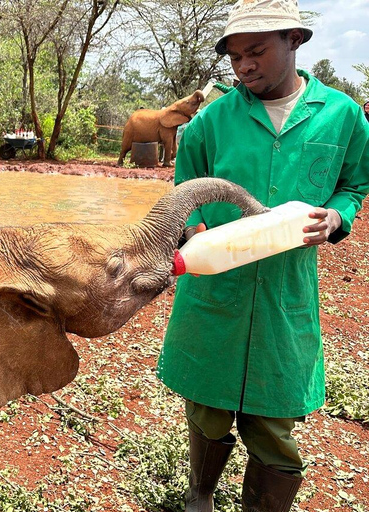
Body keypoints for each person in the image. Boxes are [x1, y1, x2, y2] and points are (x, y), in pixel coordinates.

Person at [157, 0, 369, 511]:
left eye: (256, 51)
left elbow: (354, 184)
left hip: (285, 291)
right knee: (206, 407)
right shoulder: (210, 121)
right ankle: (199, 496)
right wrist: (192, 227)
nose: (244, 65)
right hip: (215, 288)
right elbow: (185, 188)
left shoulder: (343, 116)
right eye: (234, 57)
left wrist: (338, 216)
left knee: (274, 419)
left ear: (295, 40)